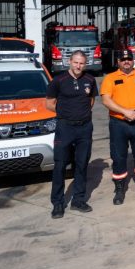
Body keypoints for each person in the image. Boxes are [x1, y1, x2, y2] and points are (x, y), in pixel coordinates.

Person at [46, 50, 98, 219]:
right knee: (60, 165)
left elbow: (91, 101)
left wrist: (80, 114)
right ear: (69, 61)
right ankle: (58, 203)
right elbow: (49, 104)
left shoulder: (90, 80)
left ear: (85, 63)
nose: (78, 66)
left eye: (81, 63)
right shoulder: (58, 81)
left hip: (84, 128)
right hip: (65, 128)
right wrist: (66, 114)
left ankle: (79, 200)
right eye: (76, 62)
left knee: (82, 164)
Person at [100, 49, 135, 205]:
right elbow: (106, 100)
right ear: (118, 62)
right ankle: (119, 189)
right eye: (123, 59)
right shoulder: (110, 78)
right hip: (118, 123)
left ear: (133, 61)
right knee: (118, 157)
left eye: (129, 59)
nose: (126, 62)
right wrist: (125, 112)